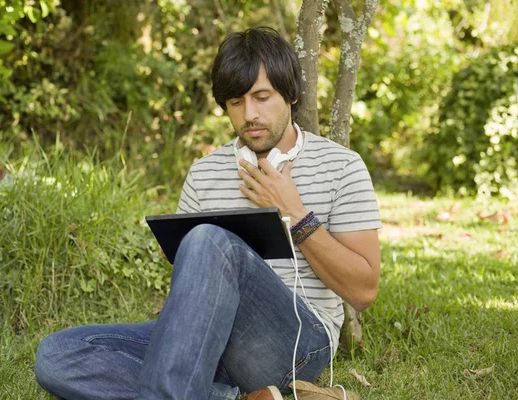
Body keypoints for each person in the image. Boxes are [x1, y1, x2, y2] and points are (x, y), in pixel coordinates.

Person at [34, 26, 381, 400]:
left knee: (210, 239)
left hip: (295, 342)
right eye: (236, 102)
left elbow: (363, 290)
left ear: (291, 94)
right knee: (57, 355)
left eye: (262, 97)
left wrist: (296, 214)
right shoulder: (205, 172)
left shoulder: (342, 166)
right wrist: (188, 259)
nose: (250, 114)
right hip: (205, 337)